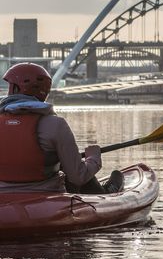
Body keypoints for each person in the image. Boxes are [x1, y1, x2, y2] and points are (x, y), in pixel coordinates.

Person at [0, 62, 123, 194]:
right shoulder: (55, 124)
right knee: (74, 168)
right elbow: (78, 177)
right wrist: (94, 158)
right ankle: (106, 193)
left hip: (5, 198)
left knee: (64, 165)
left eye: (11, 87)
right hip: (47, 197)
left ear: (16, 89)